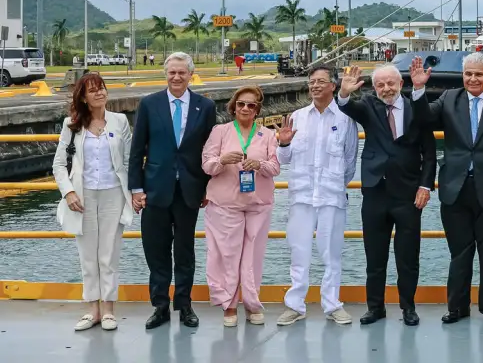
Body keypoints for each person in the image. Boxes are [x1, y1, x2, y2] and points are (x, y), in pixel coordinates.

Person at [409, 52, 483, 326]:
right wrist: (418, 89)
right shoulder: (450, 99)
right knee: (459, 252)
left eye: (478, 74)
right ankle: (457, 307)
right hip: (455, 188)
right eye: (468, 74)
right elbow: (424, 119)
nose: (472, 78)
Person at [337, 62, 437, 326]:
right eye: (380, 84)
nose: (386, 89)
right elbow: (347, 106)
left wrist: (425, 186)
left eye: (390, 83)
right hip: (375, 192)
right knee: (375, 256)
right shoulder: (369, 106)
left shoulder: (418, 108)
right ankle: (376, 307)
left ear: (401, 84)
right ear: (374, 88)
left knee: (408, 257)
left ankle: (408, 307)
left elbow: (429, 152)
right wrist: (344, 93)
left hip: (408, 194)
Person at [129, 51, 217, 329]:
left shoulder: (206, 106)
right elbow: (136, 150)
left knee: (185, 251)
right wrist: (136, 188)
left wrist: (206, 187)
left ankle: (185, 304)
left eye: (182, 72)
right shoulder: (149, 104)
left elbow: (209, 151)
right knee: (156, 251)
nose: (177, 77)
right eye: (172, 72)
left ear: (191, 74)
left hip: (189, 189)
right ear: (165, 74)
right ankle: (160, 305)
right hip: (155, 189)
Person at [275, 64, 361, 327]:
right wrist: (284, 142)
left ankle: (332, 304)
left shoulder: (346, 120)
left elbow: (349, 161)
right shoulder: (298, 117)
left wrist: (334, 184)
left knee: (331, 253)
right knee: (298, 251)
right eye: (311, 81)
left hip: (331, 196)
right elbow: (283, 160)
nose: (314, 86)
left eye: (321, 81)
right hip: (301, 196)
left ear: (333, 86)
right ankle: (295, 305)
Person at [52, 72, 134, 332]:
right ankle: (92, 310)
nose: (99, 93)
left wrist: (135, 192)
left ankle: (109, 309)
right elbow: (58, 165)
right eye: (93, 90)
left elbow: (130, 160)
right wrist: (68, 192)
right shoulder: (71, 125)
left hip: (114, 194)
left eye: (102, 88)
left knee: (109, 254)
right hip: (82, 197)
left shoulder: (120, 121)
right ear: (84, 97)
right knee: (88, 256)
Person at [201, 85, 280, 326]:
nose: (245, 108)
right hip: (225, 204)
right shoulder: (220, 131)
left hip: (258, 204)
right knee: (226, 255)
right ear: (233, 107)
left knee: (253, 257)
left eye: (251, 105)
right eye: (241, 104)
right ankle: (229, 305)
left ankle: (252, 304)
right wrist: (222, 161)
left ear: (258, 110)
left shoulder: (267, 135)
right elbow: (207, 165)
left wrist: (260, 165)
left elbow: (275, 168)